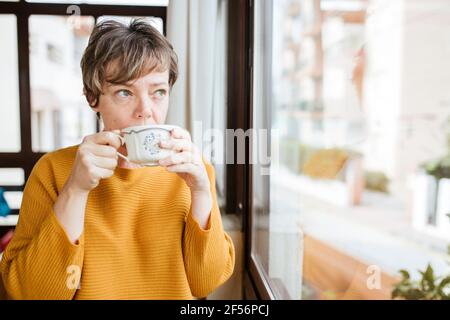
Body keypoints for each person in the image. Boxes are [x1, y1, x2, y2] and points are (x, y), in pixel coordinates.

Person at [0, 19, 235, 300]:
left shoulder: (194, 171)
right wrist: (75, 189)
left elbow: (205, 283)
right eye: (125, 92)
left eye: (158, 92)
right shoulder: (54, 171)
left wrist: (201, 192)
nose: (146, 111)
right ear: (92, 98)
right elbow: (34, 293)